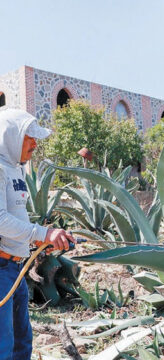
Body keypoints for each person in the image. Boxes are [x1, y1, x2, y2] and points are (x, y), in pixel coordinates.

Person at [0, 108, 75, 360]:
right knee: (4, 345)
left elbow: (17, 217)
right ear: (10, 136)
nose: (34, 143)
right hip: (1, 269)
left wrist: (43, 239)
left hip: (15, 268)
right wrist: (42, 233)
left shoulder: (16, 169)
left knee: (22, 341)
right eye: (28, 137)